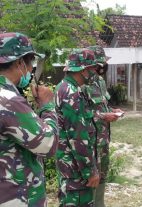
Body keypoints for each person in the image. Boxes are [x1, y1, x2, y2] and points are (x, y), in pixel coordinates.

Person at [0, 32, 58, 206]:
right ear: (19, 62)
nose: (31, 68)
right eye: (31, 62)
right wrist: (48, 106)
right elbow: (48, 145)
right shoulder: (8, 101)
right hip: (17, 198)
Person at [54, 48, 104, 206]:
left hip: (70, 168)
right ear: (83, 70)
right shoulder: (71, 94)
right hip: (76, 173)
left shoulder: (65, 87)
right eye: (92, 68)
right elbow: (78, 137)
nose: (95, 72)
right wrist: (90, 171)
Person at [82, 46, 124, 207]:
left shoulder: (100, 81)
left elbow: (102, 105)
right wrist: (102, 116)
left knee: (103, 173)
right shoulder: (82, 85)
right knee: (91, 175)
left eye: (104, 63)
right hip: (90, 138)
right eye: (100, 64)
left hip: (103, 137)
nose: (103, 67)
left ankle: (100, 204)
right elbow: (81, 114)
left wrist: (113, 111)